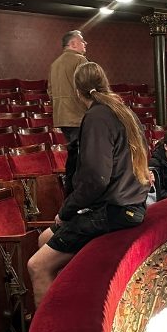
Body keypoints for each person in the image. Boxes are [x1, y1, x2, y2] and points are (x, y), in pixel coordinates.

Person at [28, 61, 149, 310]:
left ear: (77, 91)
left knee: (37, 266)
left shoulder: (97, 116)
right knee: (44, 238)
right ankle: (72, 307)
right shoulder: (124, 111)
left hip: (111, 211)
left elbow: (96, 180)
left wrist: (66, 211)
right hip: (131, 207)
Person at [48, 30, 88, 194]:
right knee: (81, 157)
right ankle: (76, 194)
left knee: (74, 153)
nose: (85, 44)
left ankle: (70, 192)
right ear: (73, 44)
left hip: (62, 116)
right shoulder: (80, 60)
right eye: (82, 41)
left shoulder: (55, 64)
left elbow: (50, 91)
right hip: (78, 115)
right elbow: (86, 88)